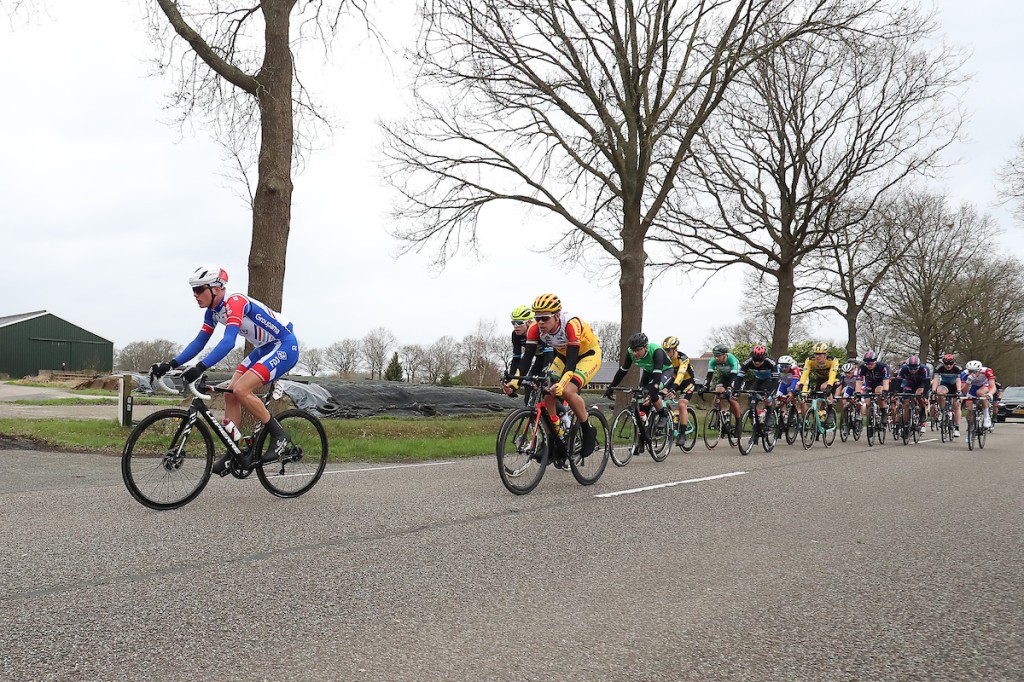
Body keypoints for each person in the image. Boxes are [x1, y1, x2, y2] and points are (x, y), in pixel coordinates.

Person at [151, 265, 299, 476]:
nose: (195, 295)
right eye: (193, 290)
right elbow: (200, 341)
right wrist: (171, 364)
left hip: (284, 345)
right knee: (231, 393)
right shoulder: (213, 312)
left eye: (199, 289)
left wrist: (200, 367)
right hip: (264, 348)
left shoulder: (235, 303)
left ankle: (279, 435)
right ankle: (234, 452)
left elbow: (228, 342)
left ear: (217, 288)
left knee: (241, 390)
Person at [507, 294, 602, 458]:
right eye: (537, 318)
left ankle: (588, 430)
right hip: (563, 356)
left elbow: (571, 363)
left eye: (545, 318)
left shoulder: (571, 324)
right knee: (546, 391)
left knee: (567, 391)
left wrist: (562, 383)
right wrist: (514, 383)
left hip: (587, 355)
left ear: (557, 315)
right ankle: (556, 434)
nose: (541, 322)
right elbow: (526, 358)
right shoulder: (535, 329)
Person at [603, 332, 672, 424]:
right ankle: (645, 427)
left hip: (664, 371)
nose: (635, 353)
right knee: (640, 396)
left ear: (646, 347)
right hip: (649, 371)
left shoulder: (656, 351)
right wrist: (612, 387)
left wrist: (652, 392)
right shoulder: (630, 352)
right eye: (633, 350)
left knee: (652, 391)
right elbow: (623, 371)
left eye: (638, 350)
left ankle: (663, 415)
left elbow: (657, 375)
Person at [502, 305, 552, 389]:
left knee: (548, 387)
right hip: (539, 359)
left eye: (520, 322)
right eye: (513, 323)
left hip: (553, 357)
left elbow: (549, 357)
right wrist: (512, 380)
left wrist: (543, 377)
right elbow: (517, 359)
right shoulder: (516, 335)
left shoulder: (541, 332)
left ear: (529, 322)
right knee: (529, 387)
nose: (516, 326)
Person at [661, 336, 697, 446]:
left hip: (687, 382)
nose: (666, 353)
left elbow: (680, 375)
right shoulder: (664, 359)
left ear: (675, 349)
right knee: (660, 396)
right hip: (673, 380)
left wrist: (673, 388)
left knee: (682, 405)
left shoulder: (683, 358)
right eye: (664, 351)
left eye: (668, 351)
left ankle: (682, 434)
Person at [700, 344, 743, 425]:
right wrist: (705, 386)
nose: (716, 358)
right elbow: (709, 376)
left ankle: (738, 421)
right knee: (718, 392)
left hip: (737, 377)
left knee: (731, 398)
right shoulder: (712, 361)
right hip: (725, 377)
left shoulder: (732, 360)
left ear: (724, 355)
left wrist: (730, 389)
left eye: (718, 356)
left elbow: (734, 378)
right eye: (715, 355)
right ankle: (719, 417)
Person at [797, 342, 839, 419]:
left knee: (824, 387)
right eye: (815, 354)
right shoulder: (810, 360)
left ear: (825, 355)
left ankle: (830, 412)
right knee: (817, 401)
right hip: (820, 378)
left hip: (833, 379)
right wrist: (801, 385)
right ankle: (818, 422)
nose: (817, 356)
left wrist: (829, 386)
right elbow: (805, 374)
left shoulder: (832, 361)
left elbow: (832, 375)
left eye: (820, 354)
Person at [895, 355, 931, 431]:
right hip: (909, 385)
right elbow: (898, 381)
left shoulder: (924, 369)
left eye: (915, 369)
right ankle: (906, 424)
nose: (913, 371)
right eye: (911, 369)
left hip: (920, 385)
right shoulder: (903, 369)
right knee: (906, 404)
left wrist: (924, 395)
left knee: (919, 396)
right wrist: (896, 393)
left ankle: (922, 413)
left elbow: (927, 383)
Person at [931, 353, 962, 437]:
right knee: (940, 393)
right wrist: (934, 390)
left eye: (950, 364)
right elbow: (936, 379)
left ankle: (957, 428)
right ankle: (942, 411)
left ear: (953, 363)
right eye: (946, 364)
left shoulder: (957, 368)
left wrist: (959, 391)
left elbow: (959, 380)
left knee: (956, 405)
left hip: (955, 386)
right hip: (945, 384)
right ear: (943, 363)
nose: (948, 366)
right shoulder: (939, 368)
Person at [960, 360, 997, 430]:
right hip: (972, 387)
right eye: (970, 371)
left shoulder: (987, 371)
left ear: (979, 370)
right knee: (969, 408)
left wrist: (990, 393)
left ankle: (986, 416)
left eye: (974, 371)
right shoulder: (964, 374)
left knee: (980, 393)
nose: (972, 373)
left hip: (984, 385)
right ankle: (971, 428)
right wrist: (968, 381)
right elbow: (964, 391)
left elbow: (993, 387)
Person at [857, 350, 891, 421]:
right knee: (867, 402)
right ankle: (870, 419)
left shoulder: (883, 366)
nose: (868, 366)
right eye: (867, 364)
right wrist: (857, 392)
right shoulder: (862, 367)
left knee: (878, 393)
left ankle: (884, 412)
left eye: (871, 363)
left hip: (880, 383)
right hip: (869, 384)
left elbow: (886, 380)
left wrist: (885, 391)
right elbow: (859, 381)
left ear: (875, 361)